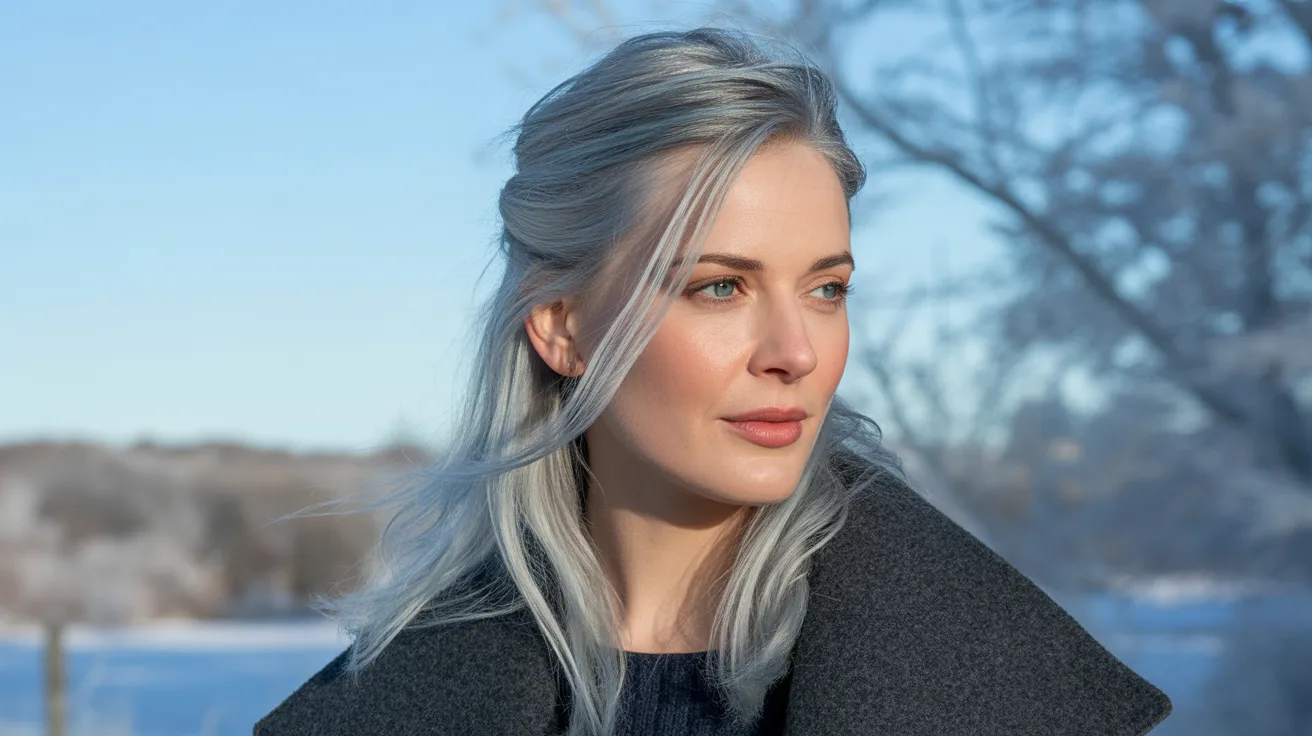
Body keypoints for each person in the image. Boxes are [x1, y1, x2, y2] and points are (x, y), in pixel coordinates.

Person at [254, 27, 1172, 736]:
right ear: (561, 327)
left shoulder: (987, 681)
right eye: (721, 285)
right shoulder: (405, 696)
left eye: (827, 289)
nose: (796, 351)